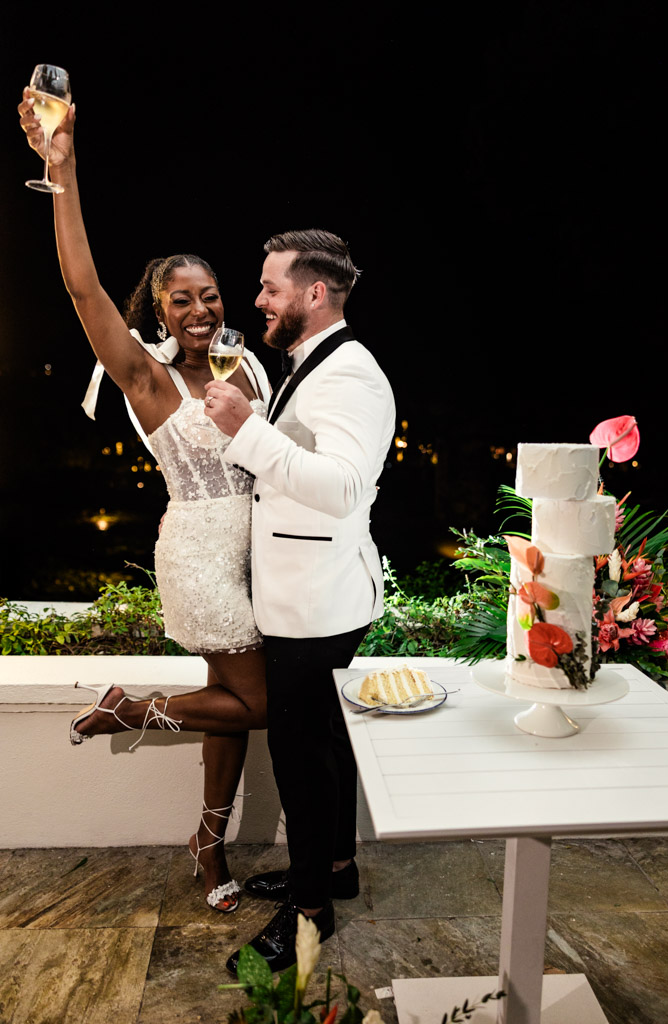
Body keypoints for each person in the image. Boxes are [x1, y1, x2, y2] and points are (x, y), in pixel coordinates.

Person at [17, 90, 269, 915]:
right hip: (200, 556)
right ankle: (132, 708)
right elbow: (84, 288)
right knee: (259, 703)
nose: (200, 311)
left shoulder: (244, 369)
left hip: (261, 556)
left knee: (229, 712)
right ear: (156, 311)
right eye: (180, 300)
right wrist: (65, 172)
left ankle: (208, 844)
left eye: (210, 295)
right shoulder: (148, 379)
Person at [204, 229, 396, 972]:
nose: (256, 299)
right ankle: (336, 869)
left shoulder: (349, 373)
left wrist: (245, 430)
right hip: (306, 591)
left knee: (301, 755)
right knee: (320, 745)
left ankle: (310, 910)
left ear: (315, 294)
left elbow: (343, 487)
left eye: (270, 287)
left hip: (318, 602)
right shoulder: (311, 362)